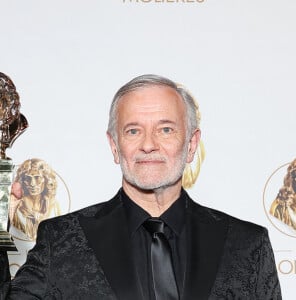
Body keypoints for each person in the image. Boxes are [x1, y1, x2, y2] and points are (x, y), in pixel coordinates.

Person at [0, 74, 281, 299]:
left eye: (166, 129)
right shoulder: (60, 241)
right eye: (133, 130)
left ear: (192, 144)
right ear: (114, 145)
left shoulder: (247, 245)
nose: (148, 145)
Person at [11, 158, 61, 240]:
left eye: (37, 178)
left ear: (46, 180)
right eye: (28, 178)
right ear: (22, 181)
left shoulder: (54, 205)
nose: (32, 184)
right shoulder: (16, 206)